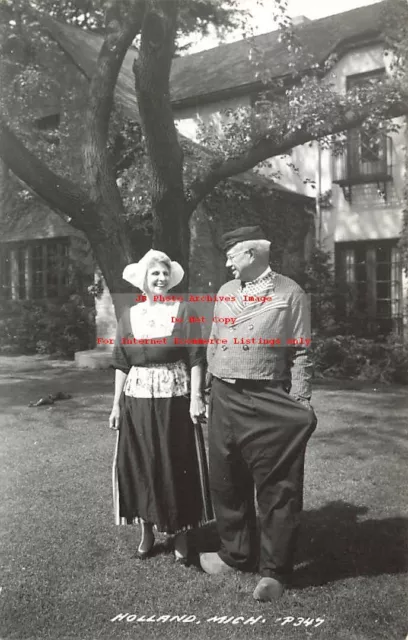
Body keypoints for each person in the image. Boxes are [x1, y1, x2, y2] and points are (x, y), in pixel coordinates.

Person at [200, 225, 317, 600]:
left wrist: (299, 401)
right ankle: (236, 554)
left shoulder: (290, 293)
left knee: (277, 485)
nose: (227, 262)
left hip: (265, 396)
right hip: (223, 394)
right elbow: (215, 339)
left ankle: (274, 571)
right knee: (226, 479)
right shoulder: (225, 292)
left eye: (231, 255)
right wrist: (207, 389)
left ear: (251, 254)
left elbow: (300, 352)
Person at [109, 249, 213, 562]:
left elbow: (196, 356)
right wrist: (116, 405)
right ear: (143, 280)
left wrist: (196, 396)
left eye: (165, 274)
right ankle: (147, 530)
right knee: (141, 462)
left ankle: (181, 531)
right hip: (137, 398)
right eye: (155, 273)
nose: (161, 278)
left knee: (173, 459)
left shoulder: (184, 310)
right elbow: (120, 362)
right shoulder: (129, 316)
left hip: (174, 396)